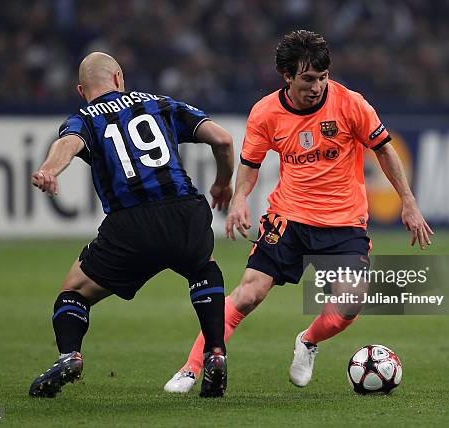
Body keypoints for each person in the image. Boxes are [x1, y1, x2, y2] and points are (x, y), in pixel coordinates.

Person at [164, 30, 433, 393]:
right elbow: (251, 163)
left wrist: (409, 203)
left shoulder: (351, 104)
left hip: (344, 221)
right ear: (287, 77)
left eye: (322, 77)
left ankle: (307, 341)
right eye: (308, 79)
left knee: (350, 304)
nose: (317, 86)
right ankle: (191, 367)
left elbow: (383, 149)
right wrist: (240, 198)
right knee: (249, 293)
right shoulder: (266, 112)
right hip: (288, 217)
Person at [29, 52, 234, 398]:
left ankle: (70, 355)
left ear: (82, 90)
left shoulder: (84, 117)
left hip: (132, 224)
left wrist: (49, 169)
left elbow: (68, 144)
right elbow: (224, 139)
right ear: (119, 79)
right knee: (203, 267)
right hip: (185, 210)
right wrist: (223, 182)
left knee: (74, 291)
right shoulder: (159, 102)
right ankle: (215, 352)